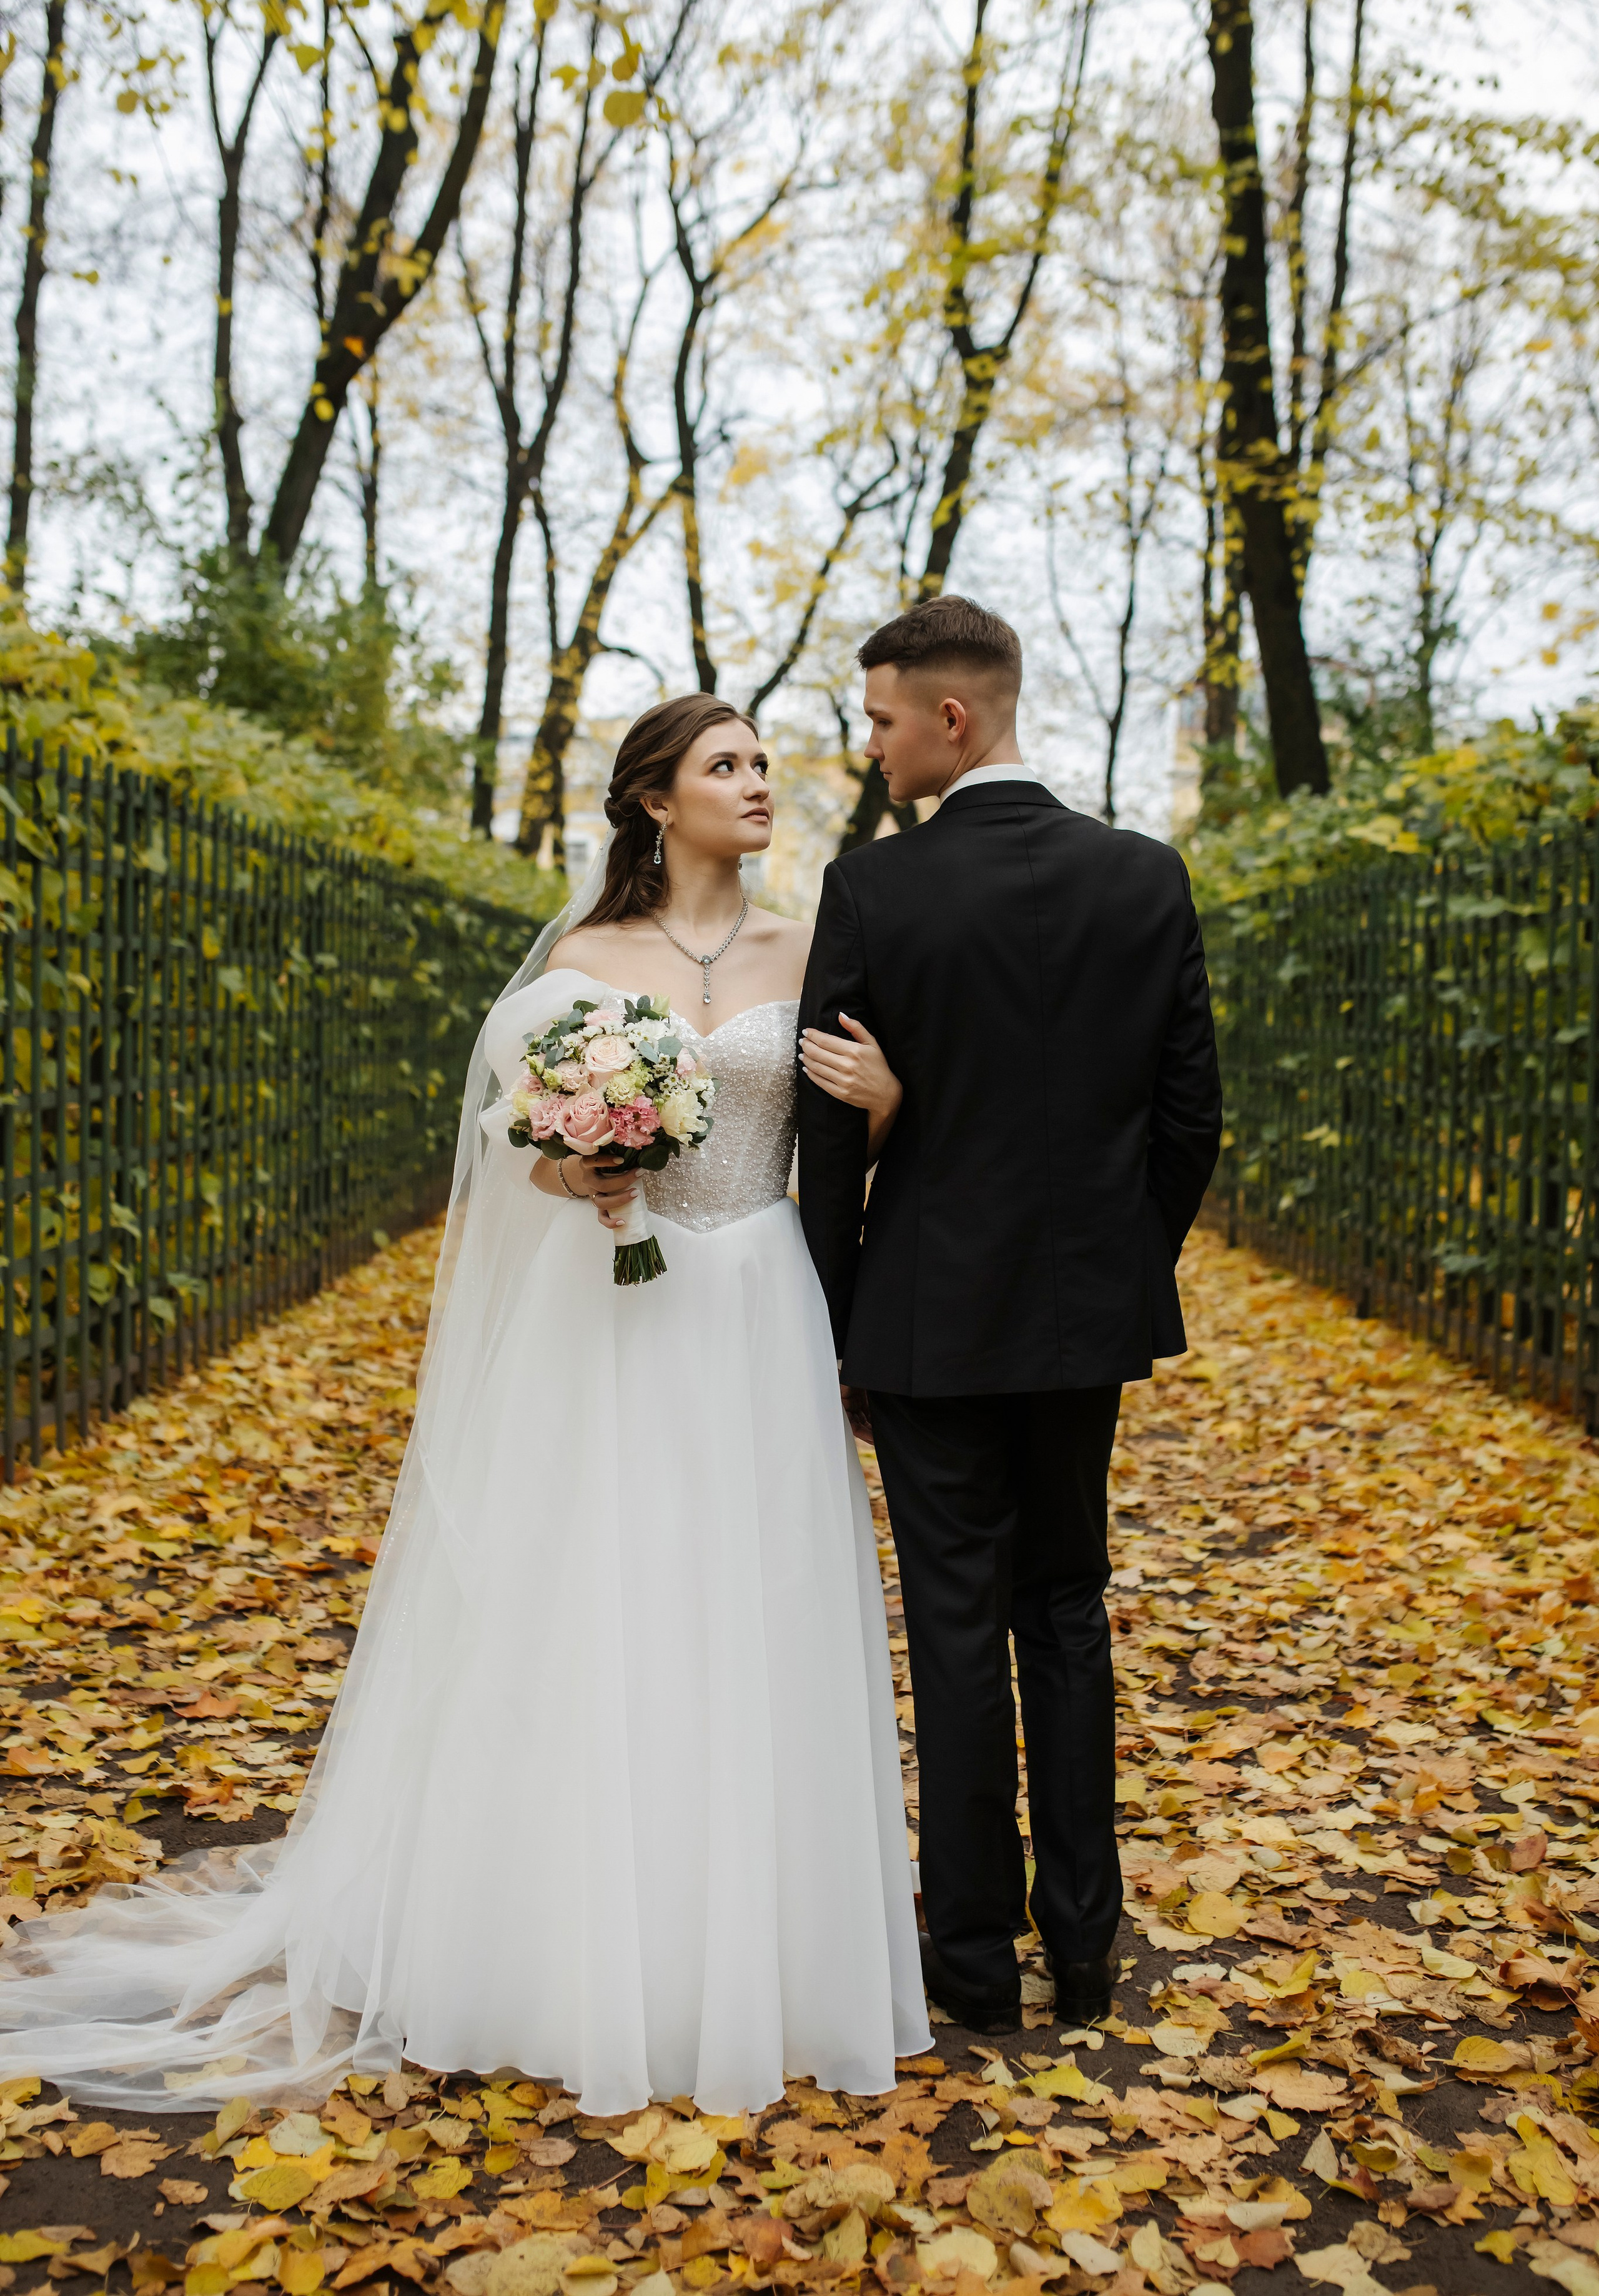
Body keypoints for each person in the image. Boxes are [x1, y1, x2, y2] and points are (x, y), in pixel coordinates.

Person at [0, 694, 928, 2115]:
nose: (756, 785)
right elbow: (521, 1156)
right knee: (593, 1599)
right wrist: (580, 1173)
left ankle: (751, 1947)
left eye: (759, 764)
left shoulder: (815, 948)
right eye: (725, 766)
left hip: (756, 1296)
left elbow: (862, 1137)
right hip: (614, 1311)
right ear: (652, 801)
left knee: (755, 1599)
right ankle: (565, 1943)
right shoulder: (578, 960)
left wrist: (883, 1097)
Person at [798, 595, 1222, 2037]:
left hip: (923, 1324)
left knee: (957, 1626)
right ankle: (1087, 1955)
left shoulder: (876, 891)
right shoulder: (1144, 877)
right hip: (1080, 1323)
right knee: (1066, 1609)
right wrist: (1110, 1266)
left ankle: (972, 1969)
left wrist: (833, 1320)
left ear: (950, 718)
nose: (870, 744)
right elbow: (1188, 1122)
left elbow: (830, 1135)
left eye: (876, 717)